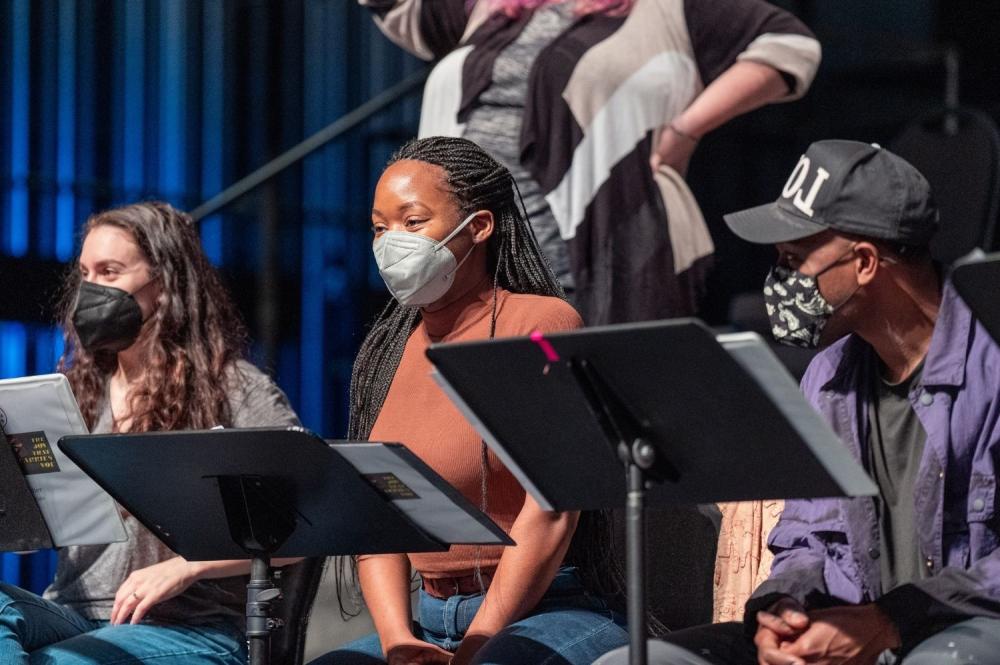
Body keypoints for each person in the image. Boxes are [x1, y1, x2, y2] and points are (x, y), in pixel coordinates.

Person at [596, 140, 1000, 665]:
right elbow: (806, 536)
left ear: (864, 262)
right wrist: (780, 609)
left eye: (793, 259)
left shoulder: (990, 360)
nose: (779, 282)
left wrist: (891, 621)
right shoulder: (828, 376)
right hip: (847, 630)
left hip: (960, 629)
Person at [308, 136, 627, 665]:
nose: (392, 242)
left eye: (413, 222)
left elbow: (552, 510)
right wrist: (399, 644)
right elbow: (379, 517)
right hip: (430, 620)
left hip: (547, 609)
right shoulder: (388, 351)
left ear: (479, 226)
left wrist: (478, 646)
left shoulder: (540, 324)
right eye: (380, 228)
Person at [360, 0, 820, 326]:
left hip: (584, 257)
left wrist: (686, 129)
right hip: (466, 264)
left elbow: (790, 46)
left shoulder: (666, 9)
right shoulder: (493, 7)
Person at [0, 202, 302, 664]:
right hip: (74, 613)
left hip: (189, 627)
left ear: (163, 283)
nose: (90, 290)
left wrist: (187, 566)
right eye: (85, 274)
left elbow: (302, 522)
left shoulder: (234, 388)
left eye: (109, 272)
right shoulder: (75, 391)